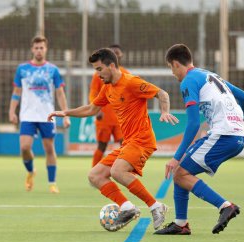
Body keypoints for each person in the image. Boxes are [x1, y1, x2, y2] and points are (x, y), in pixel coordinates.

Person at [48, 48, 179, 231]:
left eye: (99, 69)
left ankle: (155, 206)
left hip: (142, 140)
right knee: (95, 175)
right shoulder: (107, 89)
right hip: (129, 142)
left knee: (117, 171)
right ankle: (127, 208)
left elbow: (162, 94)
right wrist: (65, 112)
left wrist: (164, 111)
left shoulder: (131, 81)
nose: (98, 74)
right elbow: (91, 109)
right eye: (95, 70)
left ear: (111, 65)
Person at [154, 44, 244, 235]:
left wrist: (175, 156)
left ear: (175, 64)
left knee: (180, 172)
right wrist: (241, 121)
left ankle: (225, 206)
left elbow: (192, 124)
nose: (173, 73)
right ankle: (181, 224)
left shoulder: (188, 81)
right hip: (236, 135)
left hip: (224, 135)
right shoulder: (210, 75)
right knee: (182, 171)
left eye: (171, 68)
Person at [9, 35, 71, 194]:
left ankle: (52, 183)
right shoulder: (22, 69)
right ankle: (30, 171)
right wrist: (12, 111)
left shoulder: (53, 70)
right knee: (24, 147)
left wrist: (65, 115)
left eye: (41, 47)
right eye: (36, 48)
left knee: (49, 149)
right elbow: (16, 92)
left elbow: (60, 93)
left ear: (46, 49)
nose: (38, 50)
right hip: (27, 115)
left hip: (47, 115)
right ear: (32, 49)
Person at [89, 44, 128, 167]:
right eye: (113, 52)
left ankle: (125, 170)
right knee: (102, 146)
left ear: (121, 56)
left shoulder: (126, 74)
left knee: (125, 145)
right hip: (104, 117)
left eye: (118, 53)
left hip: (120, 118)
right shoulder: (99, 74)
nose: (116, 55)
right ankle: (94, 172)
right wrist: (97, 109)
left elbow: (130, 96)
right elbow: (93, 93)